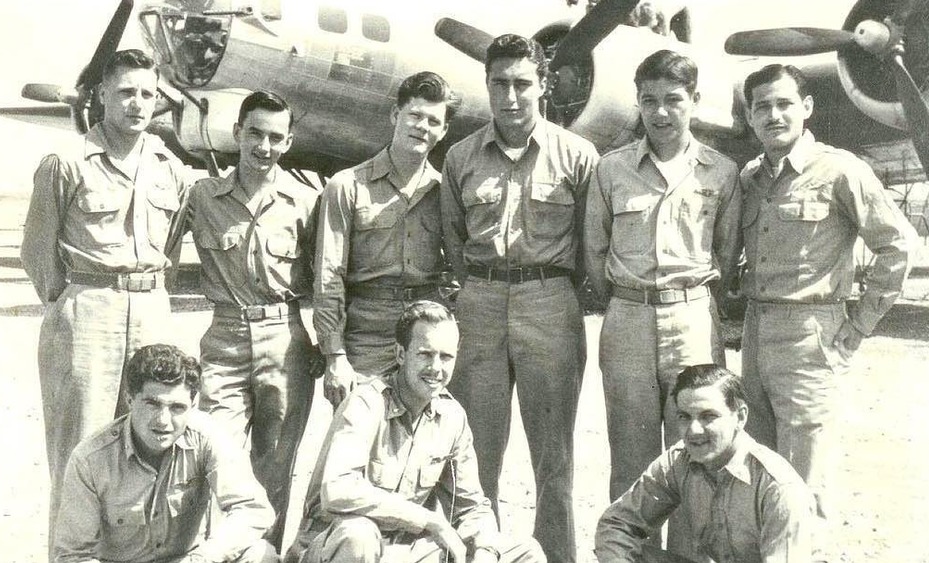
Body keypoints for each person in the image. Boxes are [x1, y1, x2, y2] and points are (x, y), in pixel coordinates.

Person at [737, 63, 916, 553]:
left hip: (810, 335)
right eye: (762, 107)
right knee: (758, 473)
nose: (773, 115)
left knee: (804, 484)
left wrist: (859, 325)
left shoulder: (842, 170)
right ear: (750, 117)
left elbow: (899, 245)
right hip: (755, 333)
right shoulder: (752, 177)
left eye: (784, 104)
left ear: (807, 108)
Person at [20, 49, 191, 551]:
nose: (138, 103)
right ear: (100, 96)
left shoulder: (170, 167)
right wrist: (73, 300)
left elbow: (172, 248)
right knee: (82, 455)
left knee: (150, 446)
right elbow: (37, 253)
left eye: (147, 93)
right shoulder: (65, 164)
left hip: (153, 313)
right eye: (126, 92)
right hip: (88, 311)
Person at [440, 33, 598, 563]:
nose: (510, 97)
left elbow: (589, 242)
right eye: (499, 84)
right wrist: (484, 288)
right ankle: (480, 553)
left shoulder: (579, 156)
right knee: (474, 451)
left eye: (522, 84)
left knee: (553, 457)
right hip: (479, 305)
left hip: (549, 302)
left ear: (544, 85)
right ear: (486, 86)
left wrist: (549, 290)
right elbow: (453, 240)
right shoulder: (460, 158)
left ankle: (555, 557)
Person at [583, 49, 740, 550]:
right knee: (631, 459)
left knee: (699, 450)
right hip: (627, 317)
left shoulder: (722, 171)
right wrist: (628, 299)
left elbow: (727, 247)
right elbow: (594, 250)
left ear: (695, 101)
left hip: (694, 317)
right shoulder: (610, 171)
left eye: (674, 100)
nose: (661, 112)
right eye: (649, 100)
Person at [167, 90, 321, 550]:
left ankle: (264, 556)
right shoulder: (201, 197)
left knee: (274, 468)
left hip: (286, 340)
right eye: (255, 133)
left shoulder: (306, 203)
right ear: (237, 133)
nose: (264, 146)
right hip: (225, 339)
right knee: (212, 457)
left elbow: (325, 279)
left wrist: (324, 346)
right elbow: (162, 256)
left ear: (289, 142)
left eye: (276, 137)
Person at [285, 301, 545, 563]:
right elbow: (338, 491)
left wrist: (485, 550)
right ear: (400, 354)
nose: (436, 368)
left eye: (446, 357)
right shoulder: (366, 403)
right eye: (424, 354)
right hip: (336, 548)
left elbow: (472, 508)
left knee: (525, 551)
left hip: (402, 551)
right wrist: (431, 521)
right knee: (358, 535)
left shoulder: (451, 417)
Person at [313, 71, 460, 408]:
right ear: (396, 115)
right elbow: (328, 275)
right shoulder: (347, 185)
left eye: (433, 120)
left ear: (444, 130)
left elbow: (457, 268)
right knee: (359, 441)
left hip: (425, 336)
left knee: (421, 443)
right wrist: (334, 354)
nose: (422, 126)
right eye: (415, 115)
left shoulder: (444, 192)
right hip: (366, 338)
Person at [53, 344, 277, 563]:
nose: (163, 421)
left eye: (177, 407)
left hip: (189, 560)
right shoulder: (90, 459)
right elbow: (72, 556)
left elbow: (252, 509)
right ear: (129, 399)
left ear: (193, 404)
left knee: (260, 554)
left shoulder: (207, 436)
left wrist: (204, 558)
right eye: (152, 404)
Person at [594, 364, 816, 563]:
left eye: (708, 416)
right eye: (684, 417)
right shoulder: (678, 462)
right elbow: (616, 524)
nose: (694, 431)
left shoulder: (777, 488)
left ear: (740, 417)